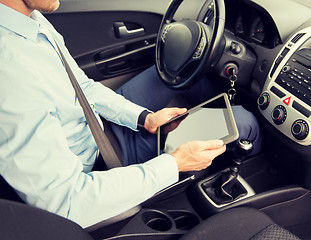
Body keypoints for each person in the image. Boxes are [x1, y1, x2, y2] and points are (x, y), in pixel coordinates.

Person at [0, 0, 262, 228]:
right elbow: (67, 202)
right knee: (244, 121)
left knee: (188, 76)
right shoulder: (9, 76)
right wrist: (175, 164)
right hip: (102, 164)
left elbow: (82, 87)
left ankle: (205, 134)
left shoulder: (31, 19)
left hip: (95, 125)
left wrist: (143, 118)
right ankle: (261, 178)